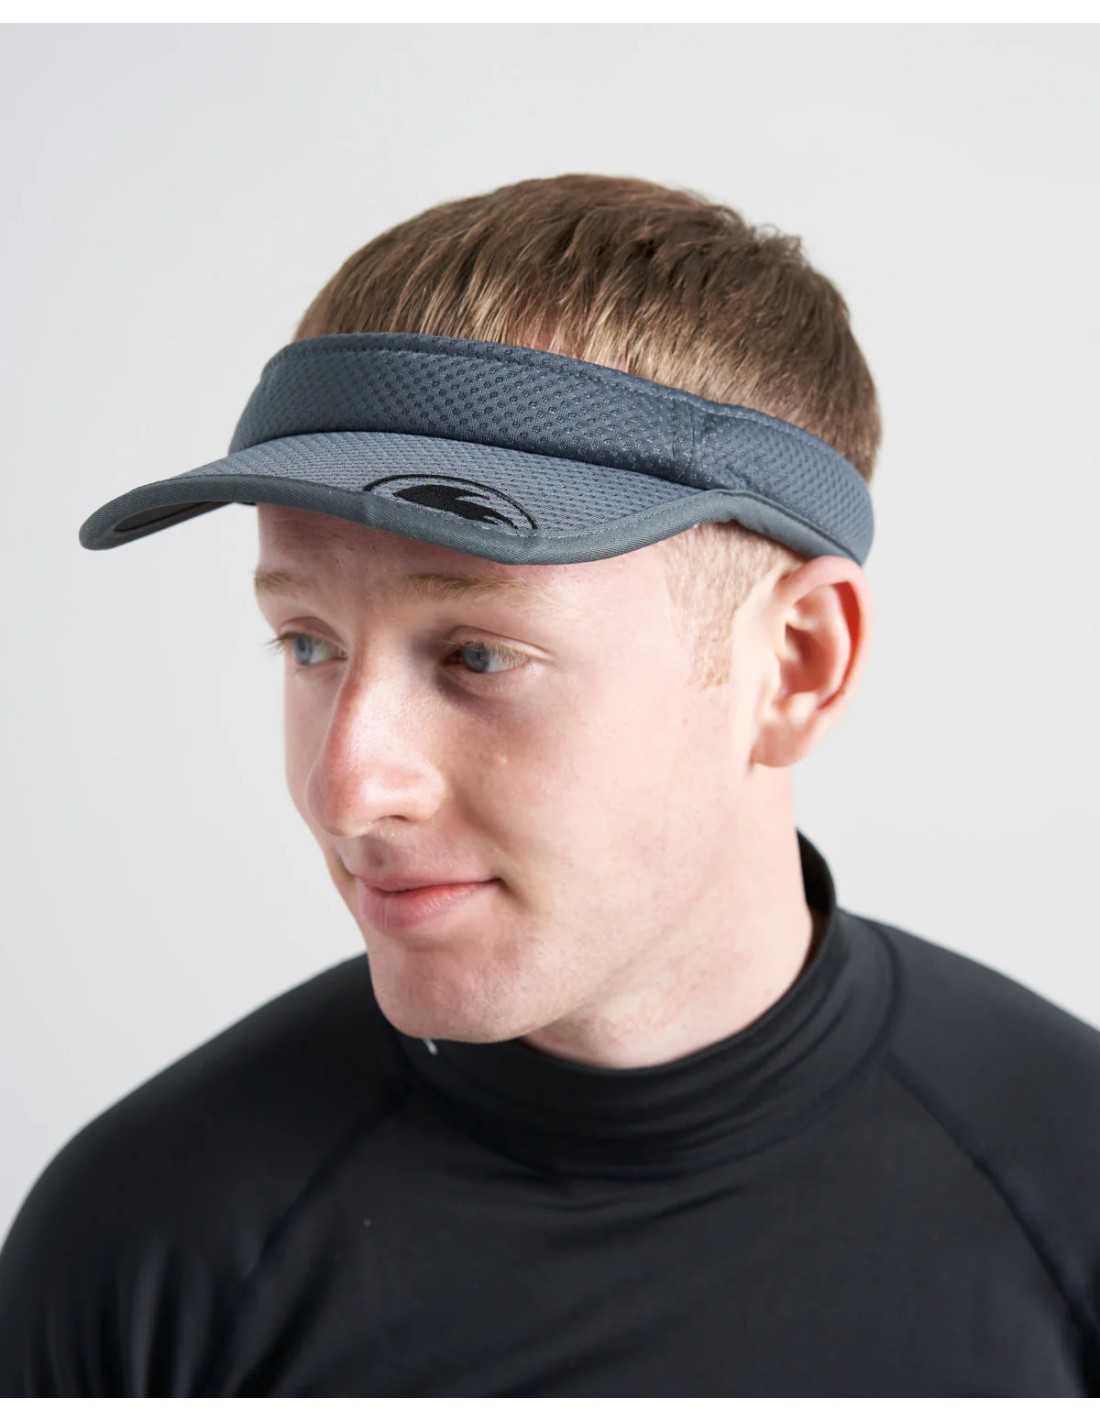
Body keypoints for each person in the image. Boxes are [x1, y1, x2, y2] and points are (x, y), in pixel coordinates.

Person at [1, 173, 1098, 1398]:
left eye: (477, 655)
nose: (346, 788)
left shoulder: (1070, 1199)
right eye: (307, 643)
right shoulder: (145, 1248)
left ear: (794, 666)